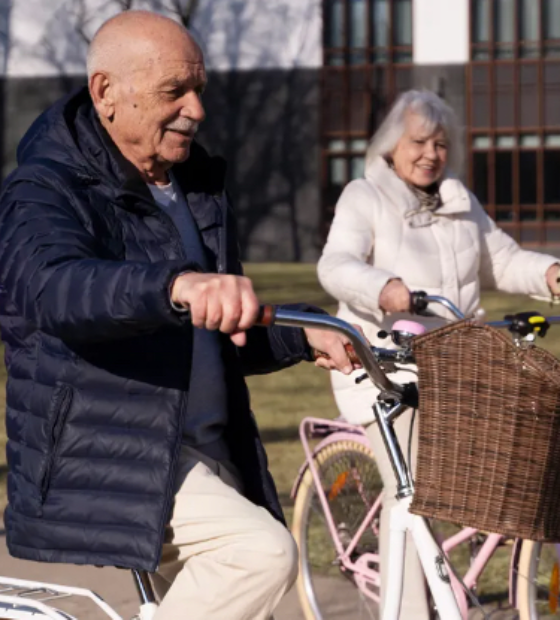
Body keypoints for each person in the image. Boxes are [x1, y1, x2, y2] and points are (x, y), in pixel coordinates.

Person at [0, 11, 356, 620]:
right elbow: (53, 289)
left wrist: (301, 334)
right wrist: (176, 284)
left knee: (250, 602)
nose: (197, 109)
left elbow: (215, 328)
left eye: (199, 90)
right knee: (261, 557)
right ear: (107, 92)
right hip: (108, 450)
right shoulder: (43, 188)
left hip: (206, 445)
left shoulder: (192, 186)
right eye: (174, 92)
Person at [317, 89, 560, 619]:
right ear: (390, 145)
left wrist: (548, 274)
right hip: (383, 369)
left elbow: (503, 260)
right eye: (419, 141)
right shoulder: (365, 196)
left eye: (441, 143)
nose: (430, 153)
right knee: (413, 492)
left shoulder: (458, 200)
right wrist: (384, 288)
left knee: (507, 463)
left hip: (457, 368)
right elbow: (335, 265)